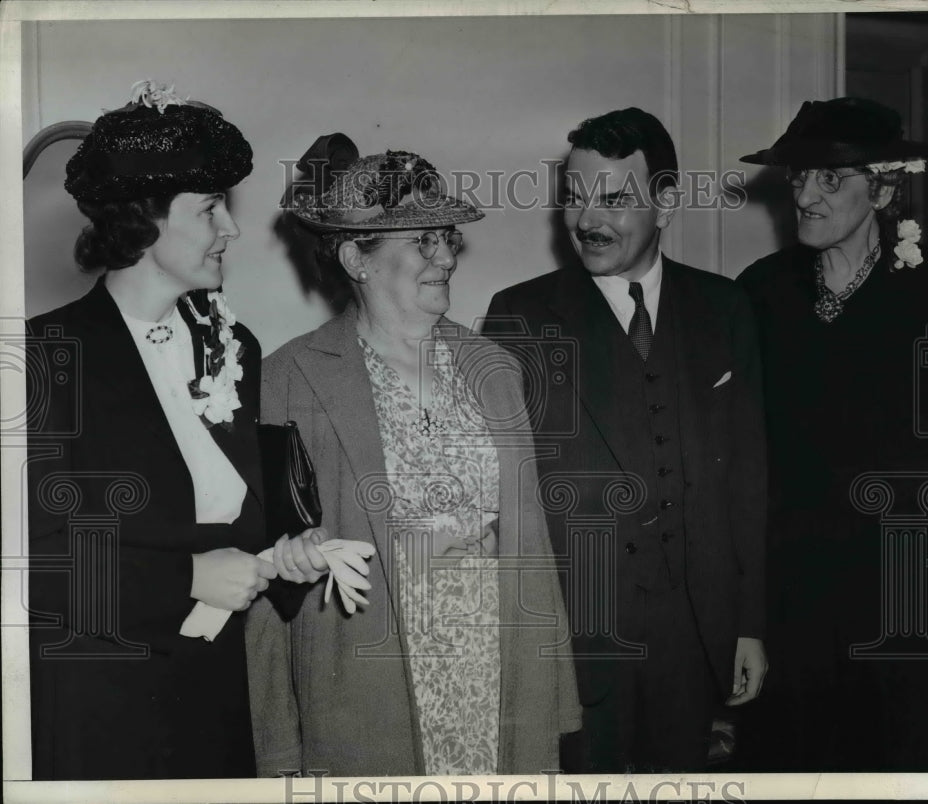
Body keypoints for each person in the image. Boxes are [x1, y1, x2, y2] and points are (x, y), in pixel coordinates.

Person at [246, 144, 580, 776]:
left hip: (496, 670)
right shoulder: (287, 379)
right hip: (367, 681)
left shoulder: (495, 370)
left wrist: (551, 692)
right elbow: (270, 583)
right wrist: (278, 745)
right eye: (423, 241)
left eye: (447, 238)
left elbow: (533, 546)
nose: (447, 257)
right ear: (356, 259)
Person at [26, 81, 325, 780]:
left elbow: (238, 522)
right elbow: (33, 563)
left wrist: (292, 555)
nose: (232, 229)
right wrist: (186, 576)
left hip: (216, 699)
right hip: (102, 704)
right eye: (211, 208)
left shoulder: (237, 347)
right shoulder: (45, 357)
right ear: (146, 220)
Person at [481, 107, 768, 773]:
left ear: (665, 203)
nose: (588, 221)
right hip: (580, 643)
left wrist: (749, 624)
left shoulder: (724, 309)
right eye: (575, 200)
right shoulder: (519, 315)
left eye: (614, 199)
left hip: (698, 639)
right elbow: (500, 494)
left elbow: (748, 480)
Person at [736, 96, 928, 770]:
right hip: (796, 608)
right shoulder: (760, 294)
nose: (806, 195)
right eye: (799, 178)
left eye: (830, 178)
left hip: (914, 608)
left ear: (886, 187)